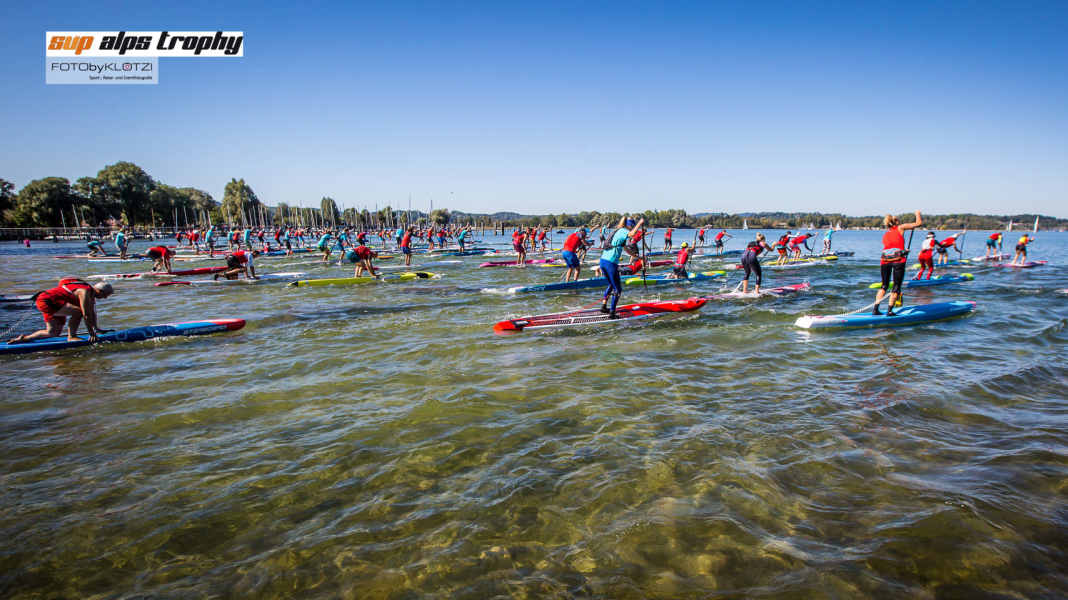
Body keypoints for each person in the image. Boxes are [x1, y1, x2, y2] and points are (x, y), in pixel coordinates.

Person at [9, 278, 114, 344]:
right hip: (47, 301)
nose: (105, 298)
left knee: (52, 333)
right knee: (78, 312)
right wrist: (91, 334)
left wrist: (97, 329)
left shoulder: (89, 293)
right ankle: (72, 337)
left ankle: (24, 339)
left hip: (52, 301)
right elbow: (86, 314)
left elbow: (92, 312)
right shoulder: (85, 292)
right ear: (99, 290)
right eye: (105, 295)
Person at [873, 211, 923, 316]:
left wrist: (904, 250)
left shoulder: (886, 234)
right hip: (898, 261)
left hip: (884, 260)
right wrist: (918, 214)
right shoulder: (900, 228)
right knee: (896, 286)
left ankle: (875, 309)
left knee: (884, 285)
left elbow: (891, 247)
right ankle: (890, 311)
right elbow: (918, 223)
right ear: (896, 222)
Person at [599, 216, 644, 318]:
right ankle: (612, 313)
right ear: (630, 225)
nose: (632, 228)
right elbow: (632, 234)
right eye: (632, 226)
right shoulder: (623, 230)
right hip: (610, 263)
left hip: (603, 261)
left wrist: (637, 256)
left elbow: (626, 249)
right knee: (618, 289)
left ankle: (603, 306)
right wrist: (640, 223)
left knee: (611, 284)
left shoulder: (618, 232)